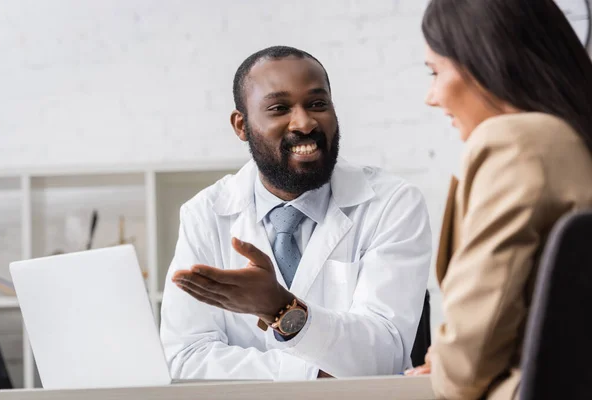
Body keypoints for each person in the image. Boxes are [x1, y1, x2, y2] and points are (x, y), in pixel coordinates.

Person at [159, 46, 432, 381]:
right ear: (241, 125)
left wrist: (280, 308)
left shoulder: (392, 203)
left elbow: (384, 356)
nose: (304, 122)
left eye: (318, 104)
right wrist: (312, 372)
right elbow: (185, 360)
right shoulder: (204, 215)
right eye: (279, 108)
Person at [405, 0, 592, 399]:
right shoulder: (575, 140)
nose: (432, 97)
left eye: (435, 72)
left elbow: (467, 366)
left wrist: (445, 359)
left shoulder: (516, 141)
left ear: (485, 60)